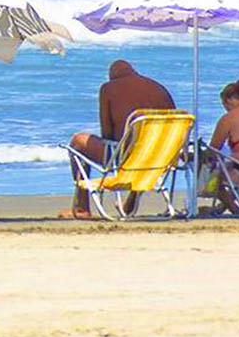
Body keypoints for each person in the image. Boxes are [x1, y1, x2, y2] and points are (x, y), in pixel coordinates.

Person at [61, 59, 175, 218]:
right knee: (143, 148)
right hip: (159, 157)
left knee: (78, 142)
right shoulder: (159, 88)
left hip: (125, 157)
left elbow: (107, 133)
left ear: (112, 77)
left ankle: (82, 207)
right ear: (134, 71)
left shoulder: (109, 89)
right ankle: (131, 200)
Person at [201, 80, 239, 215]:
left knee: (214, 176)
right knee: (236, 166)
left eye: (225, 103)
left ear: (233, 99)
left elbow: (213, 150)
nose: (225, 108)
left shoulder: (229, 118)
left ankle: (236, 210)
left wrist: (195, 156)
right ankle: (221, 208)